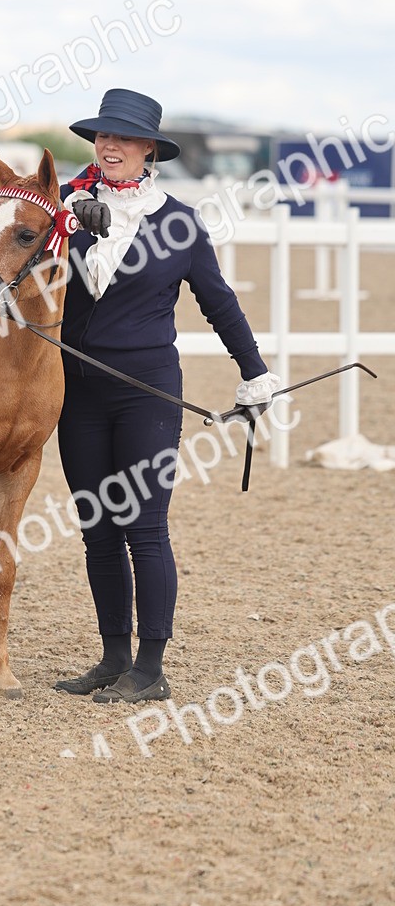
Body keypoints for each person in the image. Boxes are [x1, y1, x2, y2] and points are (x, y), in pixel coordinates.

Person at [53, 89, 279, 703]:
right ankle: (112, 657)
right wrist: (68, 224)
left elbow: (218, 301)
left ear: (148, 148)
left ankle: (150, 668)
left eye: (122, 138)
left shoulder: (178, 221)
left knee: (144, 528)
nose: (108, 146)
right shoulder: (68, 212)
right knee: (96, 528)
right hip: (76, 392)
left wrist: (255, 373)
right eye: (102, 137)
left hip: (146, 392)